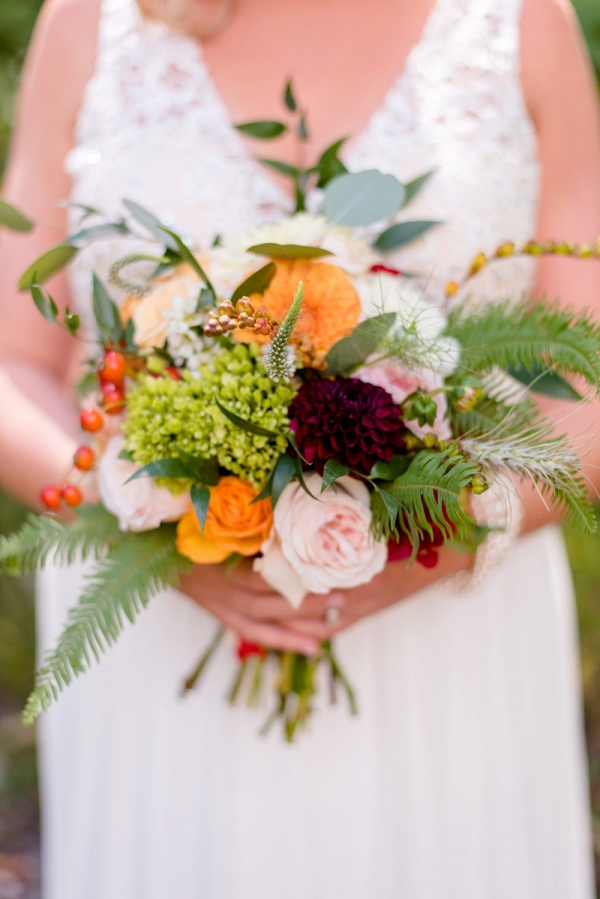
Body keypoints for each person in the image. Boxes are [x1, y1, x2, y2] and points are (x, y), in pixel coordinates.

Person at [1, 0, 600, 895]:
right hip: (163, 635)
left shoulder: (521, 23)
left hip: (451, 635)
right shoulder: (93, 19)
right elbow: (14, 357)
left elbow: (588, 376)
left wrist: (431, 539)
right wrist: (156, 524)